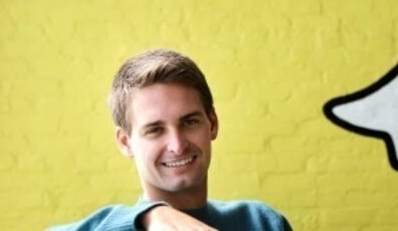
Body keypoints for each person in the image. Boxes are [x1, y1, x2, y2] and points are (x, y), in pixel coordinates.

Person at [48, 49, 292, 230]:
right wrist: (150, 216)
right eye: (155, 130)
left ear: (213, 124)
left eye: (189, 122)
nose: (177, 145)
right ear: (125, 142)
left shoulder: (261, 223)